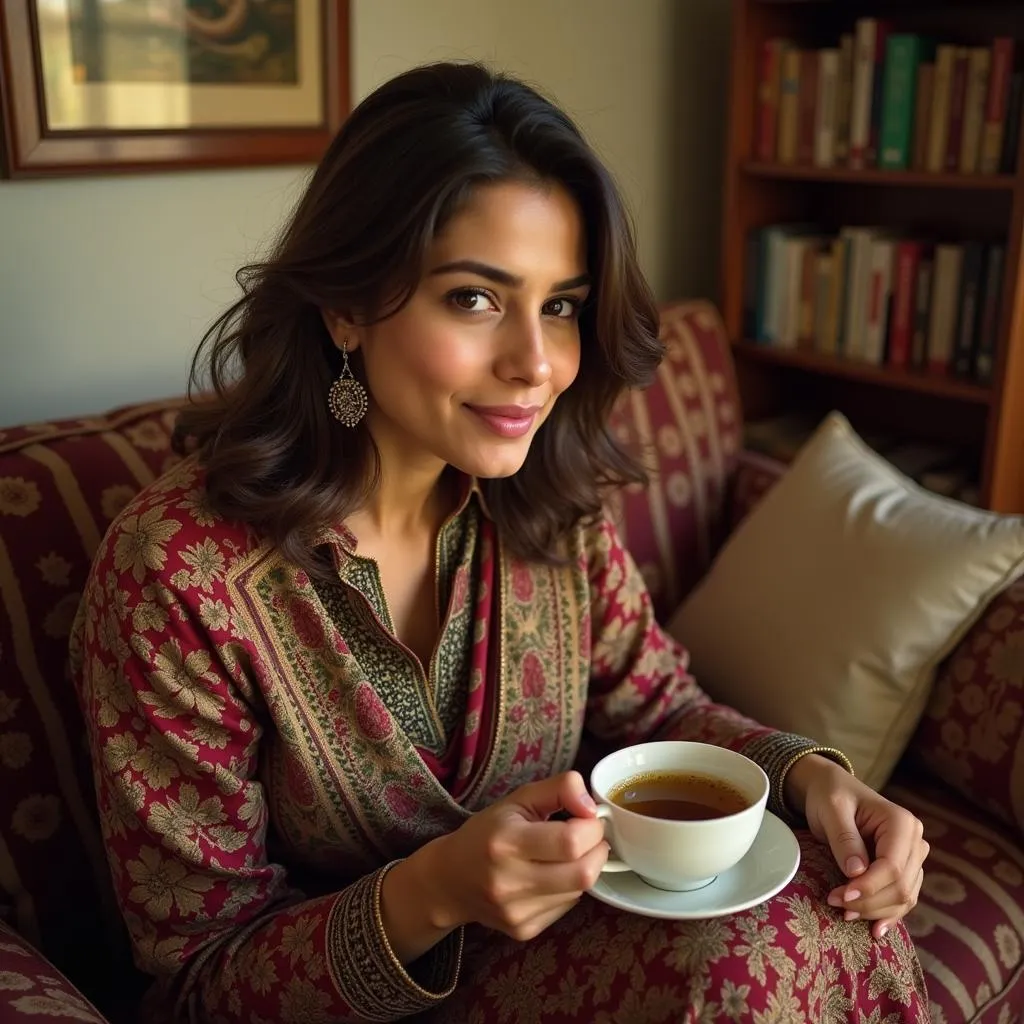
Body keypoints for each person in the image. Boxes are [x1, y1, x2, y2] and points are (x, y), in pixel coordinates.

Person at [69, 62, 930, 1023]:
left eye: (560, 304)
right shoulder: (181, 577)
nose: (536, 364)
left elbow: (655, 707)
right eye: (475, 299)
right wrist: (432, 892)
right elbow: (193, 981)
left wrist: (812, 777)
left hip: (568, 957)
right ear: (347, 306)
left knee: (820, 896)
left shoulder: (550, 504)